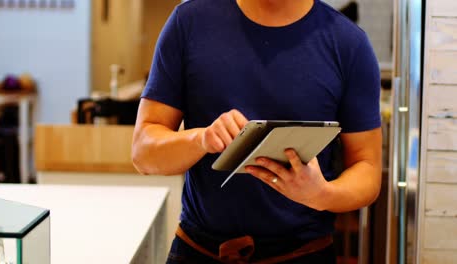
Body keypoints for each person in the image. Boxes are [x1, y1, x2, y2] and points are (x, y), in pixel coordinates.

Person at [132, 0, 382, 263]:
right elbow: (143, 153)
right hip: (200, 251)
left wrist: (322, 195)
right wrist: (201, 139)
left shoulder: (348, 44)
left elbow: (367, 168)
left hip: (304, 253)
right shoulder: (190, 21)